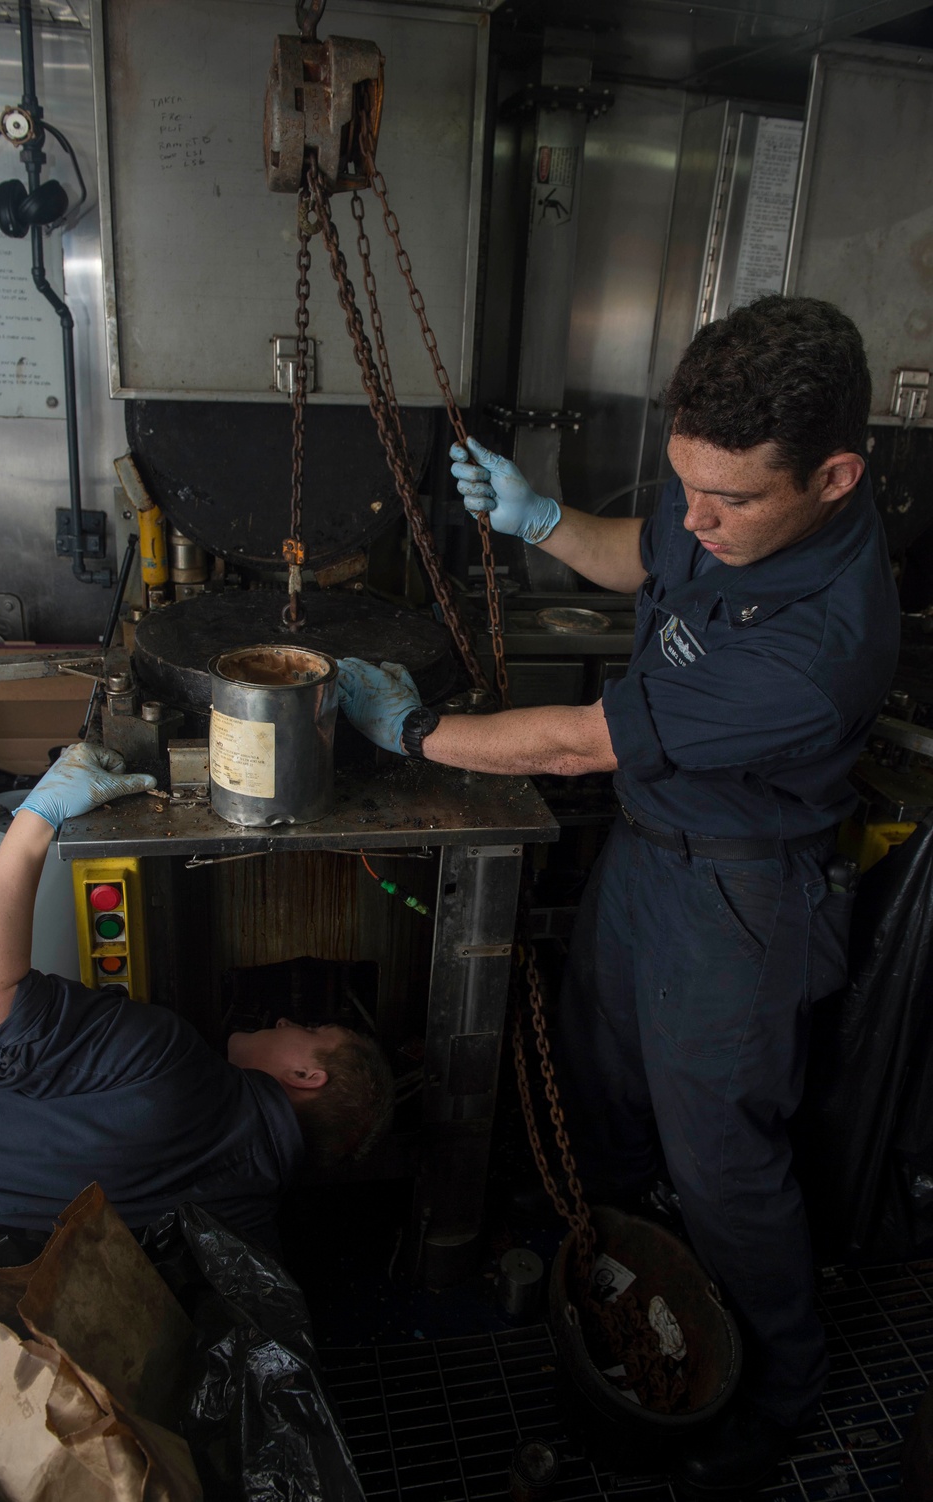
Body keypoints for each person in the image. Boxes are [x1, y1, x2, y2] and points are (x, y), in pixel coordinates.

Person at [335, 296, 900, 1491]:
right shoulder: (725, 504)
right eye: (683, 482)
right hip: (652, 853)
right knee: (600, 1074)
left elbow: (576, 743)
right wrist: (542, 513)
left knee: (725, 1162)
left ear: (836, 474)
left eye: (728, 499)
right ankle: (618, 1257)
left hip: (739, 902)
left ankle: (779, 1390)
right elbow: (637, 550)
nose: (696, 518)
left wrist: (418, 731)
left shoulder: (817, 645)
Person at [0, 742, 394, 1256]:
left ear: (308, 1077)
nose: (288, 1020)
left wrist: (37, 817)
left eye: (309, 1031)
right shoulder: (247, 1229)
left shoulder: (171, 1068)